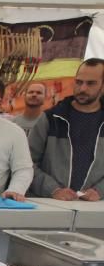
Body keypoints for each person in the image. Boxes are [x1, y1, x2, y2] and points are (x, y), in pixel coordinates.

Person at [29, 58, 104, 201]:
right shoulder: (50, 119)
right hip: (50, 206)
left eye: (91, 83)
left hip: (95, 210)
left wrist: (100, 191)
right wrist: (53, 189)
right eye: (79, 82)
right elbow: (26, 163)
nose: (82, 88)